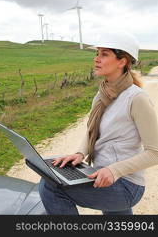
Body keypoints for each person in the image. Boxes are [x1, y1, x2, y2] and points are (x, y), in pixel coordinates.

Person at [39, 31, 158, 215]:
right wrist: (80, 153)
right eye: (97, 53)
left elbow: (155, 152)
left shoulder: (137, 98)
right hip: (103, 175)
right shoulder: (102, 94)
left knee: (52, 186)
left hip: (125, 185)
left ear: (122, 61)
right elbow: (91, 131)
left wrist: (114, 170)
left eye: (104, 54)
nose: (96, 59)